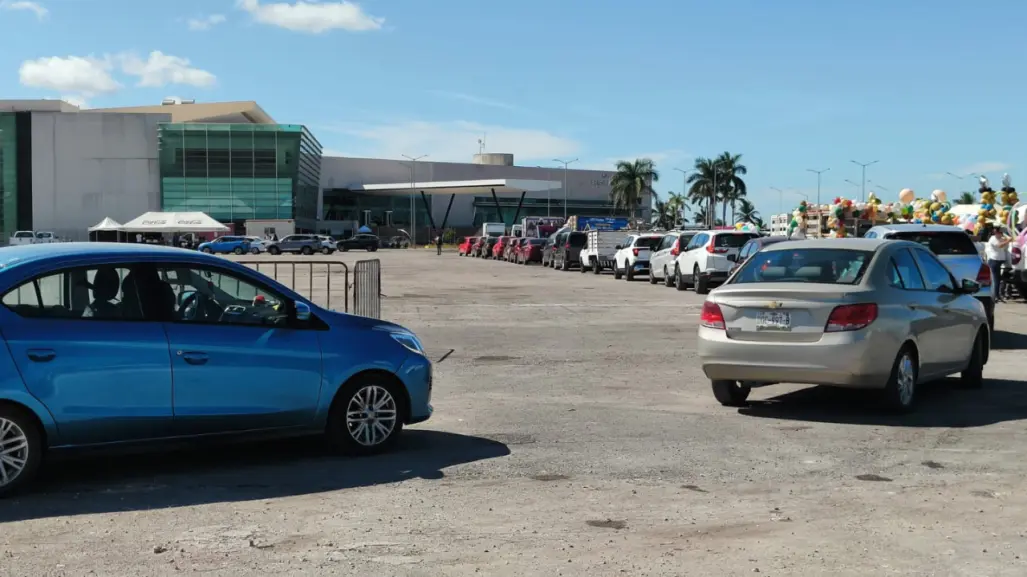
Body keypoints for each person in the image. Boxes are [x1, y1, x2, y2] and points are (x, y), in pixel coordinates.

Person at [986, 227, 1011, 302]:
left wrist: (1007, 238)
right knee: (995, 280)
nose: (1000, 234)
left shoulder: (1001, 238)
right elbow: (1000, 245)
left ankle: (997, 295)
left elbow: (1006, 242)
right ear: (995, 232)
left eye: (1001, 233)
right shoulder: (993, 238)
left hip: (999, 261)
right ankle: (995, 296)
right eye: (999, 233)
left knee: (998, 279)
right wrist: (1007, 241)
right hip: (994, 261)